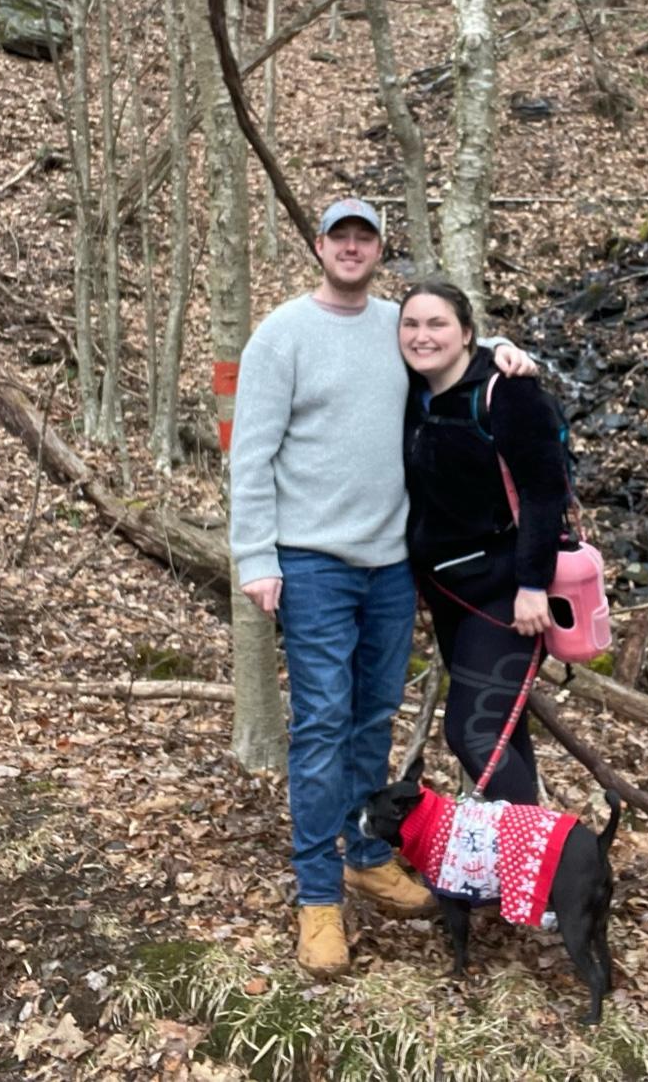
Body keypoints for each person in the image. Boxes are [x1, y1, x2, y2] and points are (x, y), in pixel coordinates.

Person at [229, 199, 535, 978]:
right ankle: (318, 896)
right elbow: (251, 455)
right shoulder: (282, 335)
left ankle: (368, 854)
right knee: (323, 721)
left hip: (392, 565)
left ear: (378, 249)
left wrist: (504, 350)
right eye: (341, 236)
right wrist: (254, 556)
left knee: (373, 716)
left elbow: (451, 346)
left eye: (366, 237)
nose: (353, 248)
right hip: (311, 563)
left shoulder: (398, 325)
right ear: (321, 246)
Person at [399, 279, 572, 807]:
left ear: (467, 333)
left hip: (505, 592)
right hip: (449, 592)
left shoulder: (506, 391)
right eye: (411, 324)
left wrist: (532, 584)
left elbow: (545, 492)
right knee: (503, 733)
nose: (422, 336)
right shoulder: (410, 394)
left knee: (472, 733)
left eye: (437, 324)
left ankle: (543, 867)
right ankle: (528, 868)